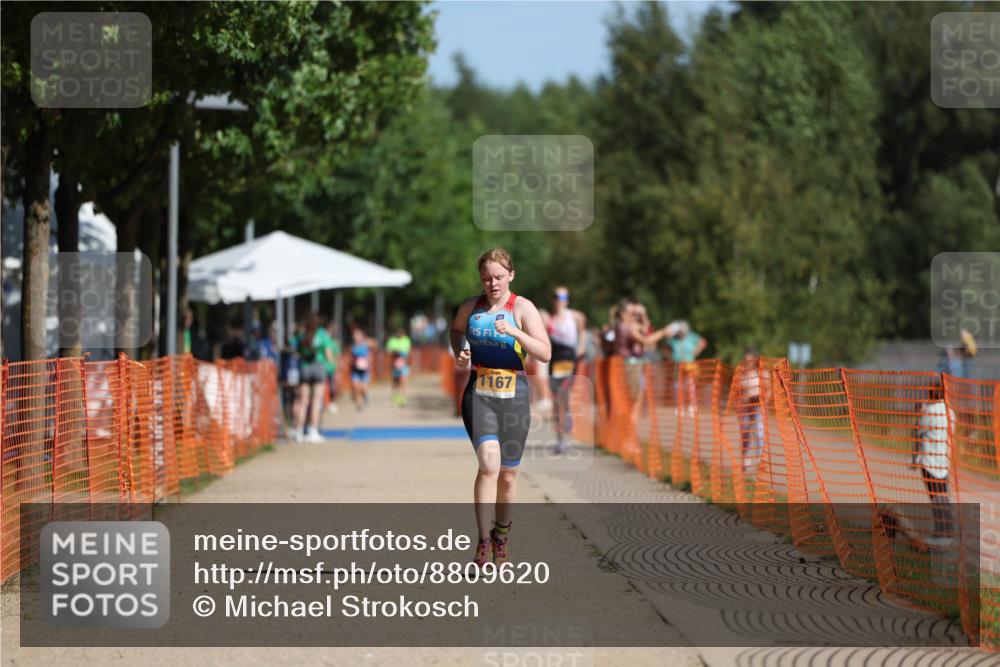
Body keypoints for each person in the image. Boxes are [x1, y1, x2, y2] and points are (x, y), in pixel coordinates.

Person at [450, 248, 550, 569]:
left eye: (498, 277)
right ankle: (482, 542)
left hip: (514, 396)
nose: (492, 283)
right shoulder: (471, 307)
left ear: (511, 275)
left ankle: (501, 538)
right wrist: (460, 351)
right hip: (479, 394)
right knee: (489, 466)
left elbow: (545, 353)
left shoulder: (522, 307)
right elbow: (456, 330)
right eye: (486, 278)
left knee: (507, 477)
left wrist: (516, 331)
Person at [545, 286, 587, 454]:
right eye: (557, 297)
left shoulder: (576, 316)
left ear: (567, 300)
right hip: (555, 360)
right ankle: (560, 440)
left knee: (564, 394)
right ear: (553, 299)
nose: (559, 300)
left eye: (563, 297)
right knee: (556, 401)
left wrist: (581, 348)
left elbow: (582, 333)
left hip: (569, 359)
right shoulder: (549, 319)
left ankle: (568, 413)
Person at [914, 378, 955, 547]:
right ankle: (948, 532)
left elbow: (919, 431)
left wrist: (920, 413)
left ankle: (940, 534)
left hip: (930, 462)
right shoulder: (950, 412)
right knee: (943, 496)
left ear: (931, 393)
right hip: (944, 461)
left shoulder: (930, 411)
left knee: (935, 498)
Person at [291, 312, 334, 443]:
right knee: (316, 402)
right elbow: (329, 354)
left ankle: (298, 432)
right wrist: (331, 367)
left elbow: (295, 350)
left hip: (304, 368)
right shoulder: (322, 335)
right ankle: (313, 432)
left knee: (302, 402)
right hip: (318, 368)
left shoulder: (301, 335)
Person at [665, 320, 708, 417]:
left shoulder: (691, 336)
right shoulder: (673, 339)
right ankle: (680, 406)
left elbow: (703, 342)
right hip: (678, 365)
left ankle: (692, 406)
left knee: (691, 386)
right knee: (678, 387)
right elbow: (665, 347)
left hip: (690, 364)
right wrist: (670, 357)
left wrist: (697, 350)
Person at [738, 346, 769, 474]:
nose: (748, 363)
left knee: (760, 435)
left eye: (750, 360)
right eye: (746, 360)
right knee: (745, 435)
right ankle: (744, 461)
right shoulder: (742, 374)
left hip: (758, 408)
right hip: (746, 408)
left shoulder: (762, 373)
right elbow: (739, 392)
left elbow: (768, 390)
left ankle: (761, 461)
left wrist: (763, 402)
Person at [350, 325, 376, 410]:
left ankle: (365, 395)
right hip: (355, 371)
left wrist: (367, 341)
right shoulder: (353, 347)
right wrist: (353, 362)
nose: (356, 337)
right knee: (356, 388)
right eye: (355, 336)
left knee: (363, 389)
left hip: (365, 371)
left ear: (361, 336)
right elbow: (352, 358)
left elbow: (375, 344)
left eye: (358, 335)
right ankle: (359, 404)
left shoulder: (366, 344)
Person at [386, 327, 412, 406]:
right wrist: (396, 352)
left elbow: (408, 351)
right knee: (395, 381)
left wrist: (400, 352)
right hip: (395, 365)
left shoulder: (406, 340)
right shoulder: (392, 340)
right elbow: (389, 351)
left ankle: (402, 398)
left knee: (403, 381)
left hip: (404, 364)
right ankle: (395, 395)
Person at [322, 319, 342, 414]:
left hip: (332, 369)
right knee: (324, 388)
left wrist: (338, 369)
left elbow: (337, 356)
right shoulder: (324, 340)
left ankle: (330, 403)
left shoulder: (334, 342)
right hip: (323, 368)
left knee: (332, 388)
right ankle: (325, 404)